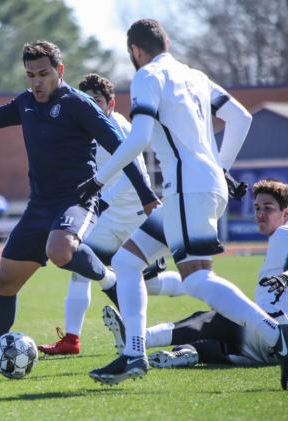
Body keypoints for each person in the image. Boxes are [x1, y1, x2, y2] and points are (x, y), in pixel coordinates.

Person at [0, 40, 159, 375]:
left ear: (59, 71)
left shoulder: (79, 104)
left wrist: (146, 195)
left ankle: (108, 279)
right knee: (3, 283)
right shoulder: (26, 103)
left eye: (43, 74)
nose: (36, 81)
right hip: (39, 205)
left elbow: (122, 147)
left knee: (60, 250)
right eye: (30, 75)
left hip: (78, 200)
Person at [84, 19, 288, 390]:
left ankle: (277, 334)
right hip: (198, 188)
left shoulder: (148, 75)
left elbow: (138, 139)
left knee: (198, 278)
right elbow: (240, 117)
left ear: (136, 51)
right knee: (126, 261)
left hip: (187, 189)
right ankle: (134, 354)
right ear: (166, 41)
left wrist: (98, 180)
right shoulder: (196, 75)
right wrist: (221, 166)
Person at [101, 179, 288, 370]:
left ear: (287, 213)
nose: (260, 214)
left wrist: (287, 278)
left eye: (268, 208)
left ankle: (137, 340)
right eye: (257, 208)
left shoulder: (286, 235)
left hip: (274, 332)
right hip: (273, 353)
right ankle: (186, 355)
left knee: (211, 320)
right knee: (211, 345)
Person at [37, 74, 183, 356]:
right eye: (86, 101)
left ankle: (195, 284)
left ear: (111, 103)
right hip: (105, 220)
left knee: (148, 284)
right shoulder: (84, 128)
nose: (91, 106)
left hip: (134, 218)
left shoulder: (120, 128)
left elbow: (135, 175)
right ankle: (71, 340)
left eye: (98, 101)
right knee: (79, 267)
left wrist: (102, 200)